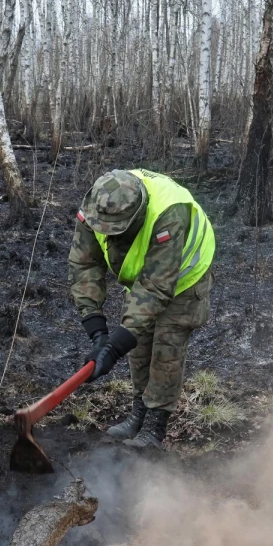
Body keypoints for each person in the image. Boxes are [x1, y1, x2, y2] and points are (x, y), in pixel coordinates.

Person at [68, 169, 215, 449]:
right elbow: (84, 265)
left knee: (166, 349)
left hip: (185, 277)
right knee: (139, 345)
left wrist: (112, 349)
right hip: (143, 277)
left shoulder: (168, 214)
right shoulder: (95, 207)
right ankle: (138, 414)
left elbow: (155, 287)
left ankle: (154, 428)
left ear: (135, 217)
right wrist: (97, 330)